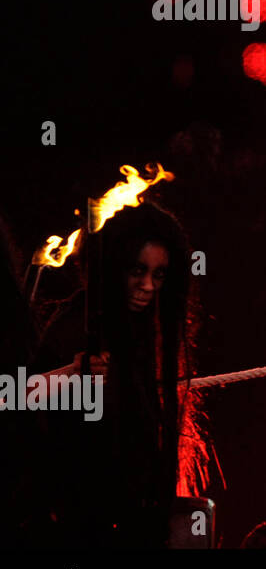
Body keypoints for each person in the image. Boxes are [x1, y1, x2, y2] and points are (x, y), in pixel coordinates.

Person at [27, 201, 215, 548]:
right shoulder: (74, 323)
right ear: (115, 268)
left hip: (127, 519)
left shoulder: (143, 329)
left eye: (159, 275)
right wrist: (71, 372)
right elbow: (11, 398)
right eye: (137, 271)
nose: (147, 286)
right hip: (74, 524)